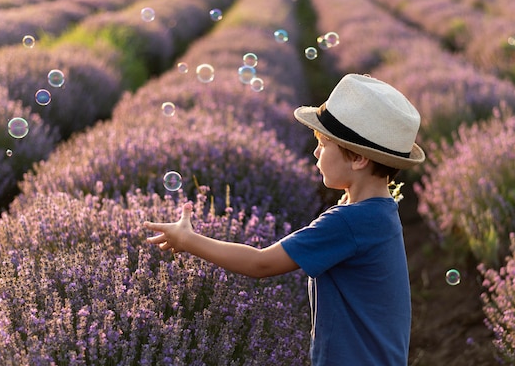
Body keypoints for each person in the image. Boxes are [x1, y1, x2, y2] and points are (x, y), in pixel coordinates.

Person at [145, 73, 425, 365]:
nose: (316, 151)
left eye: (324, 143)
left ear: (358, 159)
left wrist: (188, 240)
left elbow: (261, 263)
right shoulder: (380, 210)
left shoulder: (349, 222)